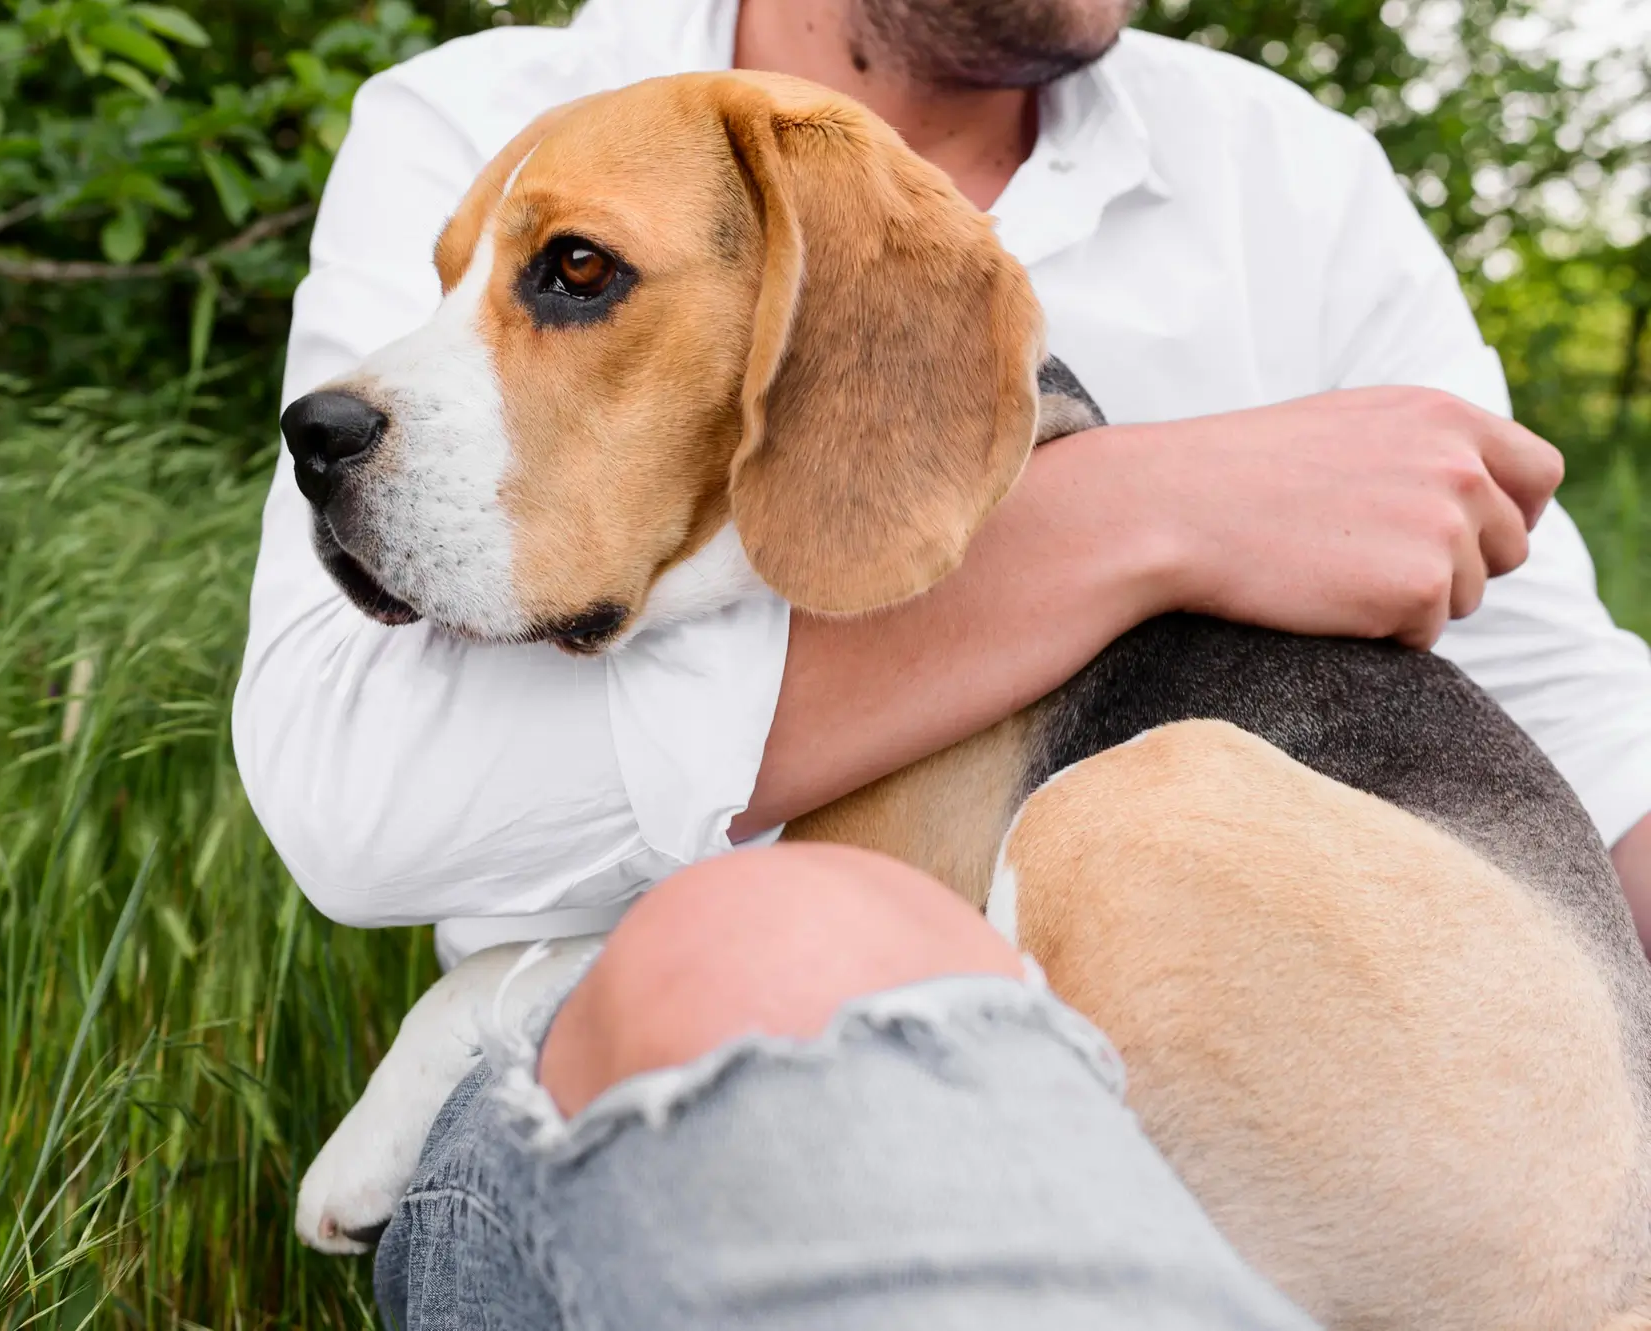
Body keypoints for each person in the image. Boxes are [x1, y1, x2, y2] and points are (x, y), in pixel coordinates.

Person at [230, 0, 1651, 1323]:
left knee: (953, 884)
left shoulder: (1292, 172)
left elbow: (1595, 747)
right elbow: (350, 802)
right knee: (773, 944)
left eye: (573, 275)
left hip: (1473, 1127)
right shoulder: (483, 111)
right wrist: (1149, 513)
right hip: (596, 1127)